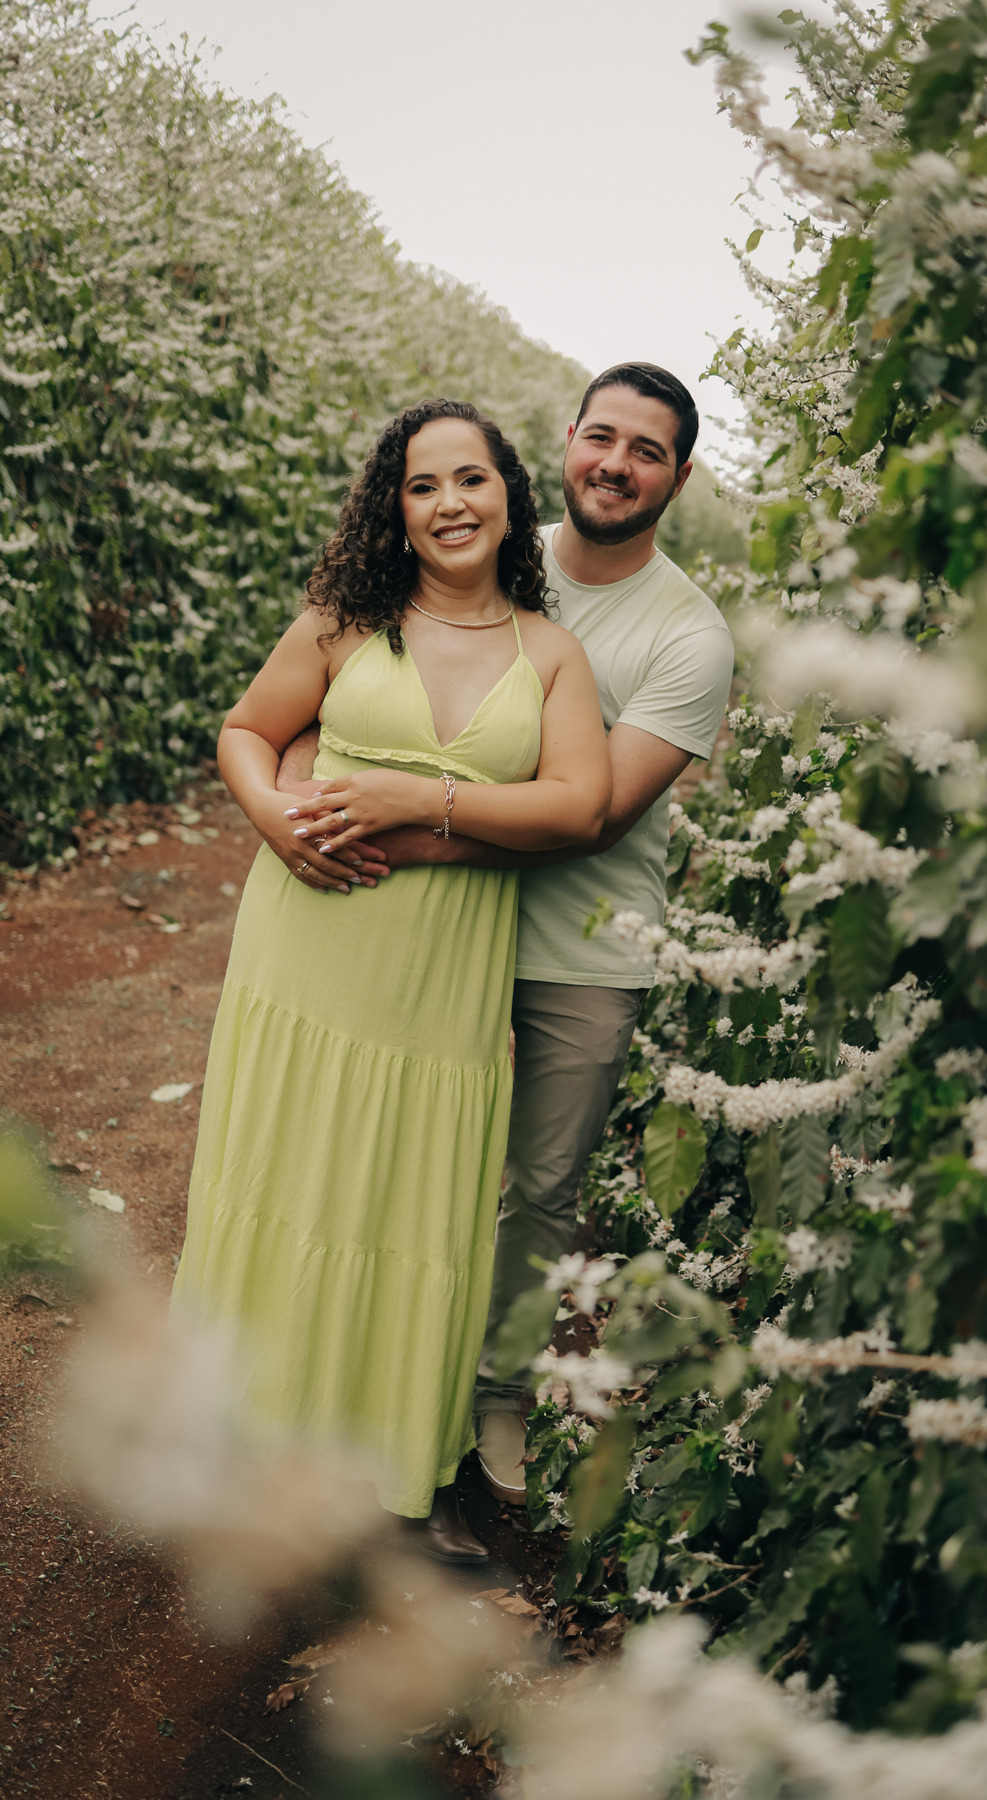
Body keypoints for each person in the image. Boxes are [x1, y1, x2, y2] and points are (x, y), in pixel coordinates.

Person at [281, 365, 736, 1507]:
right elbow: (329, 686)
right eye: (602, 437)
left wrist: (397, 826)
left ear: (679, 478)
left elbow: (594, 819)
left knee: (538, 1186)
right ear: (567, 440)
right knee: (405, 1156)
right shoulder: (475, 545)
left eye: (647, 452)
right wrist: (303, 796)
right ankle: (378, 1379)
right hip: (437, 931)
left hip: (583, 944)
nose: (616, 465)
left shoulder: (689, 634)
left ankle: (493, 1394)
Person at [173, 399, 611, 1563]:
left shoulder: (549, 653)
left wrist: (421, 797)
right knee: (287, 1180)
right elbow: (246, 733)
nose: (450, 503)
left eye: (471, 478)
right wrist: (274, 820)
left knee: (410, 1204)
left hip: (442, 969)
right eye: (423, 486)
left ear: (509, 494)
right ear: (395, 510)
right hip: (310, 945)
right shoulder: (345, 623)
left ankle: (382, 1477)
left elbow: (578, 807)